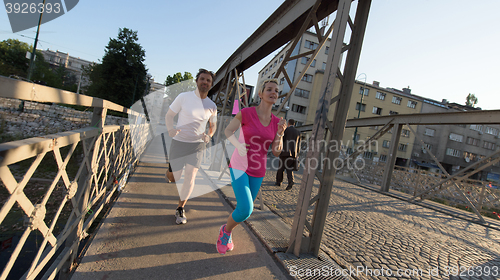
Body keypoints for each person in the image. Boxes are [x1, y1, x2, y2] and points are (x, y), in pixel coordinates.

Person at [216, 79, 287, 254]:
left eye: (276, 91)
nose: (273, 92)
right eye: (269, 89)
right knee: (246, 208)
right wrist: (237, 145)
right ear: (261, 94)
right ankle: (225, 231)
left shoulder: (277, 122)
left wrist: (280, 134)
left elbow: (276, 152)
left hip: (258, 170)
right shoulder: (246, 113)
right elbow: (227, 131)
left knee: (245, 212)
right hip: (239, 165)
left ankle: (228, 231)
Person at [165, 69, 217, 225]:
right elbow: (169, 115)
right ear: (197, 81)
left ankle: (181, 208)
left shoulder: (212, 106)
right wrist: (170, 130)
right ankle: (169, 172)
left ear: (211, 84)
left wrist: (209, 135)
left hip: (197, 146)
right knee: (175, 177)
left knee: (190, 175)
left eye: (208, 80)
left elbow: (213, 125)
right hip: (179, 142)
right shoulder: (183, 97)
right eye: (202, 79)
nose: (205, 82)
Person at [275, 119, 301, 190]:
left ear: (288, 123)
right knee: (289, 169)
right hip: (293, 154)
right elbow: (298, 144)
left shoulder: (286, 130)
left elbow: (281, 140)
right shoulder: (298, 132)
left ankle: (279, 182)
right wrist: (297, 154)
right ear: (294, 124)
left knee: (281, 168)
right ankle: (291, 181)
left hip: (284, 152)